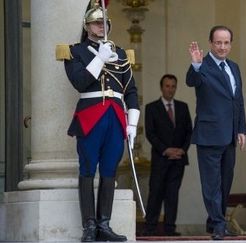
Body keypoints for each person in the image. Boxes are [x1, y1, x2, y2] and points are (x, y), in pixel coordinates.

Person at [61, 1, 139, 241]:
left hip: (115, 116)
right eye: (96, 22)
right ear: (87, 26)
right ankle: (89, 227)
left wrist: (133, 122)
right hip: (90, 115)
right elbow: (80, 82)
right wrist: (100, 58)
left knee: (109, 170)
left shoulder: (122, 53)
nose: (101, 26)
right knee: (87, 169)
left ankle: (104, 225)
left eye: (104, 22)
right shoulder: (75, 51)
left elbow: (131, 91)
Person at [186, 25, 246, 240]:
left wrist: (241, 128)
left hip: (230, 134)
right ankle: (220, 223)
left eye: (226, 42)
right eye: (218, 42)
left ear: (231, 44)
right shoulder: (203, 65)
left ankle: (214, 222)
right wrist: (195, 64)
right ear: (211, 43)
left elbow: (237, 100)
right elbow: (192, 81)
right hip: (209, 133)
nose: (222, 47)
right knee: (211, 183)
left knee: (225, 181)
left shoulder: (234, 67)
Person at [143, 74, 192, 236]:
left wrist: (182, 150)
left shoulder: (183, 107)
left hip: (178, 160)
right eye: (167, 86)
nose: (170, 89)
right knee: (155, 193)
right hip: (160, 159)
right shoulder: (151, 108)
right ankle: (150, 228)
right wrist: (166, 150)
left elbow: (189, 132)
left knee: (172, 195)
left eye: (173, 86)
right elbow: (150, 133)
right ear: (161, 87)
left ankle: (170, 229)